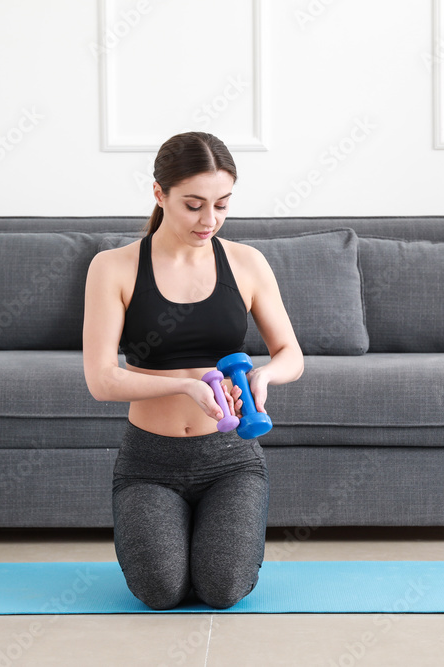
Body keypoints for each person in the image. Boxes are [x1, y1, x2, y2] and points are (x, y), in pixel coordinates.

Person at [83, 131, 304, 609]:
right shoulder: (113, 267)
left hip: (232, 461)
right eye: (194, 205)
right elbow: (101, 380)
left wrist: (265, 375)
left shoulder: (246, 263)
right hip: (148, 464)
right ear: (159, 194)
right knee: (161, 592)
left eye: (222, 205)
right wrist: (185, 387)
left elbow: (290, 351)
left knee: (221, 590)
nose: (210, 220)